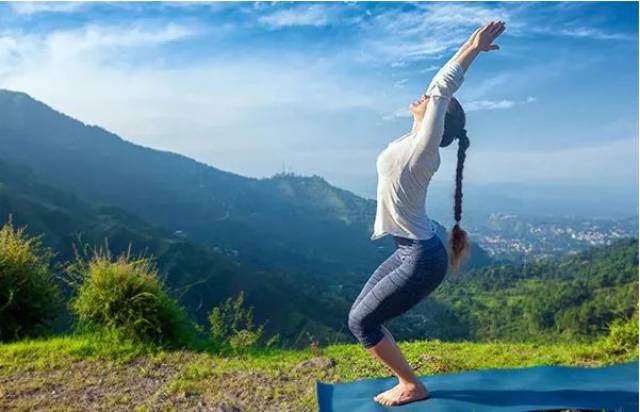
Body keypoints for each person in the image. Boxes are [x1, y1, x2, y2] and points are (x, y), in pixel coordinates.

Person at [347, 21, 506, 406]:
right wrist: (467, 45)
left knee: (361, 323)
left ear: (440, 120)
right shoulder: (412, 139)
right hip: (414, 247)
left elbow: (441, 87)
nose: (425, 96)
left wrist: (471, 51)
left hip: (421, 256)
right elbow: (437, 88)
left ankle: (411, 384)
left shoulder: (424, 149)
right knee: (361, 316)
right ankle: (406, 378)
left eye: (435, 104)